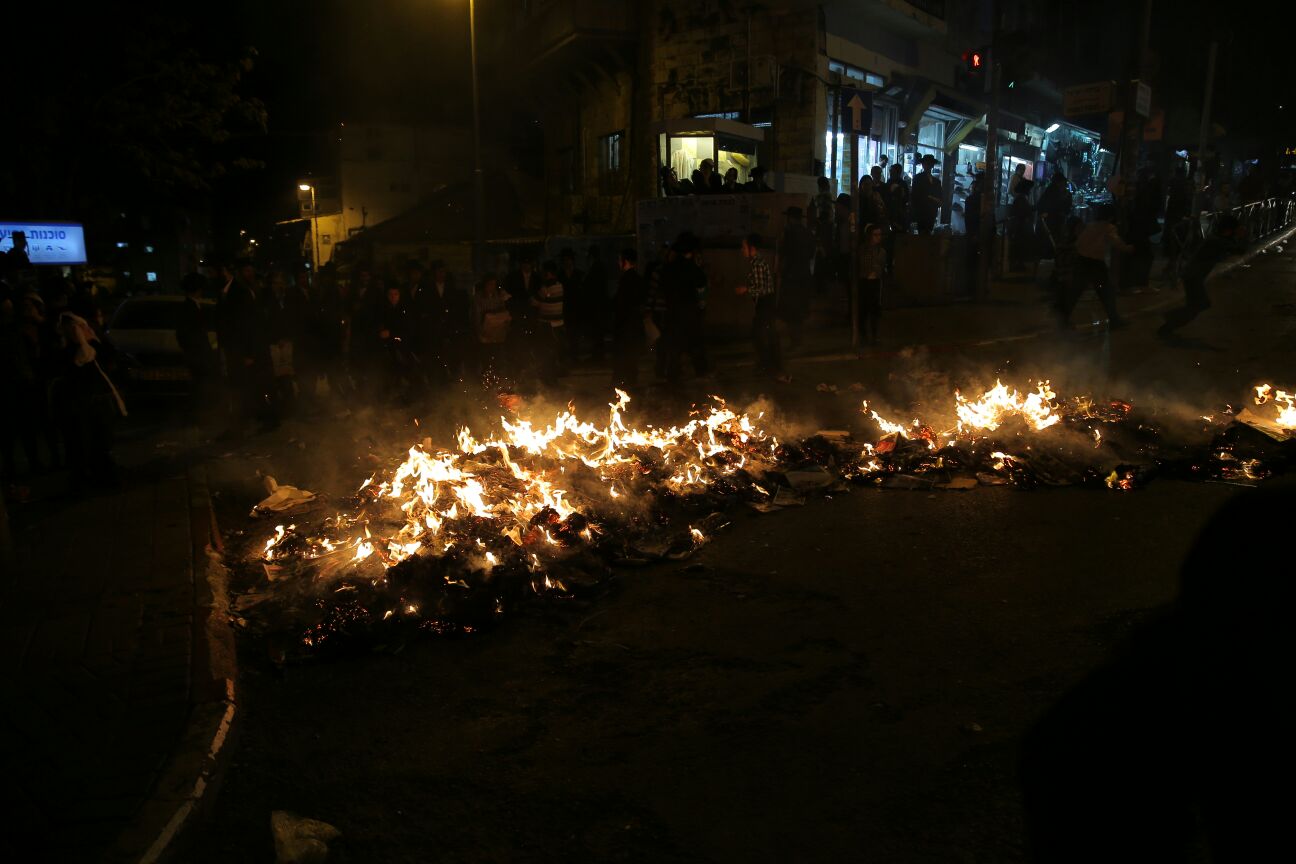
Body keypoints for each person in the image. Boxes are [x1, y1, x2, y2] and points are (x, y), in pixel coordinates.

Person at [1158, 214, 1247, 338]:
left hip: (1194, 276)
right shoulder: (1217, 241)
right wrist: (1242, 236)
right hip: (1193, 277)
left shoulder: (1218, 239)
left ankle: (1167, 325)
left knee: (1197, 304)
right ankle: (1168, 319)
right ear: (1229, 229)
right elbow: (1239, 250)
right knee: (1200, 304)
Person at [1058, 206, 1133, 330]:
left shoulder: (1090, 225)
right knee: (1106, 291)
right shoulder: (1108, 227)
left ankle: (1063, 320)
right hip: (1096, 264)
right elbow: (1116, 242)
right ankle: (1114, 319)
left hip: (1082, 261)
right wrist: (1127, 248)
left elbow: (1078, 243)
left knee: (1075, 291)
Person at [659, 231, 710, 386]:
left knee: (674, 348)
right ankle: (702, 374)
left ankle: (673, 379)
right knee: (695, 345)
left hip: (673, 313)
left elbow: (663, 287)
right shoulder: (691, 267)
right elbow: (701, 282)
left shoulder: (669, 267)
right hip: (689, 313)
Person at [737, 233, 787, 382]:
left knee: (763, 335)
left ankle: (770, 366)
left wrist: (746, 289)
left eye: (744, 247)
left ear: (752, 248)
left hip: (766, 303)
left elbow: (762, 289)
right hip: (765, 303)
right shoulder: (756, 262)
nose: (742, 250)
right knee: (765, 334)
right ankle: (770, 366)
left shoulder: (758, 264)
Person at [176, 272, 216, 425]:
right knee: (199, 386)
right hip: (197, 355)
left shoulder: (192, 305)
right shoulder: (189, 307)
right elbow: (187, 334)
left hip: (197, 354)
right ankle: (195, 417)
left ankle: (197, 415)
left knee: (200, 386)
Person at [777, 206, 815, 349]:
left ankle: (795, 340)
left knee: (791, 310)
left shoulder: (789, 233)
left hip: (791, 275)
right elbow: (811, 254)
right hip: (804, 274)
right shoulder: (807, 233)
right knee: (799, 310)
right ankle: (797, 339)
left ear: (790, 218)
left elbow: (784, 253)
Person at [611, 249, 647, 390]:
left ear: (625, 261)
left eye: (620, 260)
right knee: (632, 360)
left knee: (622, 358)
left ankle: (619, 388)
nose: (618, 263)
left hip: (625, 326)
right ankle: (632, 385)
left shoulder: (625, 280)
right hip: (635, 325)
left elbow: (620, 304)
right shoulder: (638, 279)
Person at [473, 274, 511, 389]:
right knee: (485, 360)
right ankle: (485, 384)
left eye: (494, 284)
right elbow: (476, 316)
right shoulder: (478, 298)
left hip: (498, 334)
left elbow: (503, 312)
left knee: (497, 359)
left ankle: (497, 383)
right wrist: (481, 331)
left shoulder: (498, 296)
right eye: (490, 284)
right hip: (484, 335)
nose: (492, 287)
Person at [531, 260, 565, 384]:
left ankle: (549, 378)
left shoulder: (547, 288)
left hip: (548, 326)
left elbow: (534, 302)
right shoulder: (560, 285)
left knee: (546, 353)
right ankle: (553, 378)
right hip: (558, 324)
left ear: (548, 273)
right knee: (553, 352)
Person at [857, 223, 886, 347]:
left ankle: (874, 337)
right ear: (869, 236)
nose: (878, 237)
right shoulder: (862, 250)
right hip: (864, 282)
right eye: (875, 235)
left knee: (875, 311)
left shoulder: (882, 251)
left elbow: (881, 267)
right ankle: (864, 336)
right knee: (863, 311)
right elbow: (862, 266)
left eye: (879, 235)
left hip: (875, 282)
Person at [1036, 172, 1073, 258]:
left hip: (1053, 219)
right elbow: (1056, 205)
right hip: (1053, 220)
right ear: (1059, 182)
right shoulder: (1054, 191)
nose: (1063, 184)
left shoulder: (1052, 190)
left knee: (1051, 239)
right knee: (1051, 239)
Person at [809, 176, 836, 293]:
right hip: (827, 230)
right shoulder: (828, 196)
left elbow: (823, 214)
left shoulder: (821, 197)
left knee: (821, 257)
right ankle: (823, 286)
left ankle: (819, 286)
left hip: (823, 229)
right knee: (825, 257)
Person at [1009, 178, 1036, 271]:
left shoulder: (1021, 198)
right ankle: (1018, 264)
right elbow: (1022, 214)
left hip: (1020, 228)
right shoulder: (1021, 199)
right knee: (1020, 247)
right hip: (1021, 228)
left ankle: (1019, 264)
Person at [911, 154, 942, 235]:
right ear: (923, 165)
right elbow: (915, 195)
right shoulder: (918, 178)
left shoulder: (936, 181)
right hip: (921, 212)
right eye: (926, 163)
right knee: (923, 233)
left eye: (929, 163)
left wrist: (936, 201)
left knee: (928, 231)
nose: (927, 165)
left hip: (932, 212)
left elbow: (940, 196)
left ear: (932, 165)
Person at [884, 164, 910, 237]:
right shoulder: (890, 182)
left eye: (892, 171)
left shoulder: (901, 183)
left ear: (897, 172)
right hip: (892, 212)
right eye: (890, 171)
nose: (890, 172)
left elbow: (906, 198)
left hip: (899, 212)